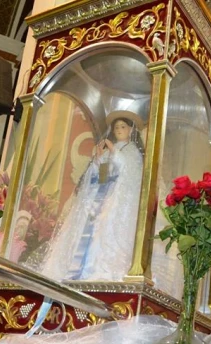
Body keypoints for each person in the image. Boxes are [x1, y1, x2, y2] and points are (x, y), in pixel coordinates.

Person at [40, 110, 145, 281]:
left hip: (115, 199)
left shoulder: (132, 151)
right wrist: (98, 159)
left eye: (123, 127)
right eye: (116, 127)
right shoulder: (113, 148)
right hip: (99, 195)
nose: (119, 130)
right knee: (86, 225)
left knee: (103, 230)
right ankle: (75, 268)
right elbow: (97, 173)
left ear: (131, 130)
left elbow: (127, 170)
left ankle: (97, 271)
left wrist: (113, 153)